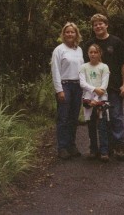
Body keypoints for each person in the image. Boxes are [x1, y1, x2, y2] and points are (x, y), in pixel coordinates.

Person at [83, 14, 124, 161]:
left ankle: (119, 146)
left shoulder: (116, 42)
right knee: (99, 118)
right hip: (95, 90)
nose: (98, 26)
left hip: (114, 87)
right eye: (95, 24)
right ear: (93, 28)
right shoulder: (89, 45)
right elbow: (84, 68)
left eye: (101, 24)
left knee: (116, 116)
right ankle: (104, 147)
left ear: (106, 25)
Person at [51, 22, 84, 160]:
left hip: (78, 86)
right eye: (67, 32)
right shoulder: (59, 50)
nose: (70, 34)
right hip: (65, 85)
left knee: (73, 117)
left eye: (72, 32)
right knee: (63, 117)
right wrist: (59, 90)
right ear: (63, 34)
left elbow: (83, 69)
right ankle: (62, 147)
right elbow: (55, 70)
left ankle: (71, 145)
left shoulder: (79, 50)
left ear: (76, 34)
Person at [79, 44, 111, 162]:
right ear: (88, 54)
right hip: (88, 98)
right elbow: (82, 83)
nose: (93, 54)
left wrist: (96, 99)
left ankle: (104, 151)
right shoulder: (84, 67)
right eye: (91, 52)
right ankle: (93, 150)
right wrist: (93, 91)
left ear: (99, 54)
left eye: (95, 52)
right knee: (91, 126)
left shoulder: (104, 67)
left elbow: (104, 85)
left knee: (102, 126)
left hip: (101, 99)